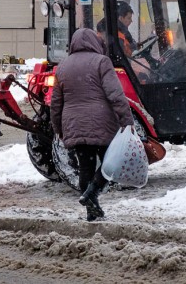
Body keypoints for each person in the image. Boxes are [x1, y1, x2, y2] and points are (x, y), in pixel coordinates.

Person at [50, 28, 134, 221]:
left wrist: (59, 129)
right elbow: (115, 94)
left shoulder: (63, 66)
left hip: (74, 124)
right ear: (94, 43)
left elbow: (56, 103)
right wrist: (126, 121)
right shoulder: (101, 61)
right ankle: (91, 194)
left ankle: (91, 211)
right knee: (110, 166)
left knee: (86, 167)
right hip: (101, 123)